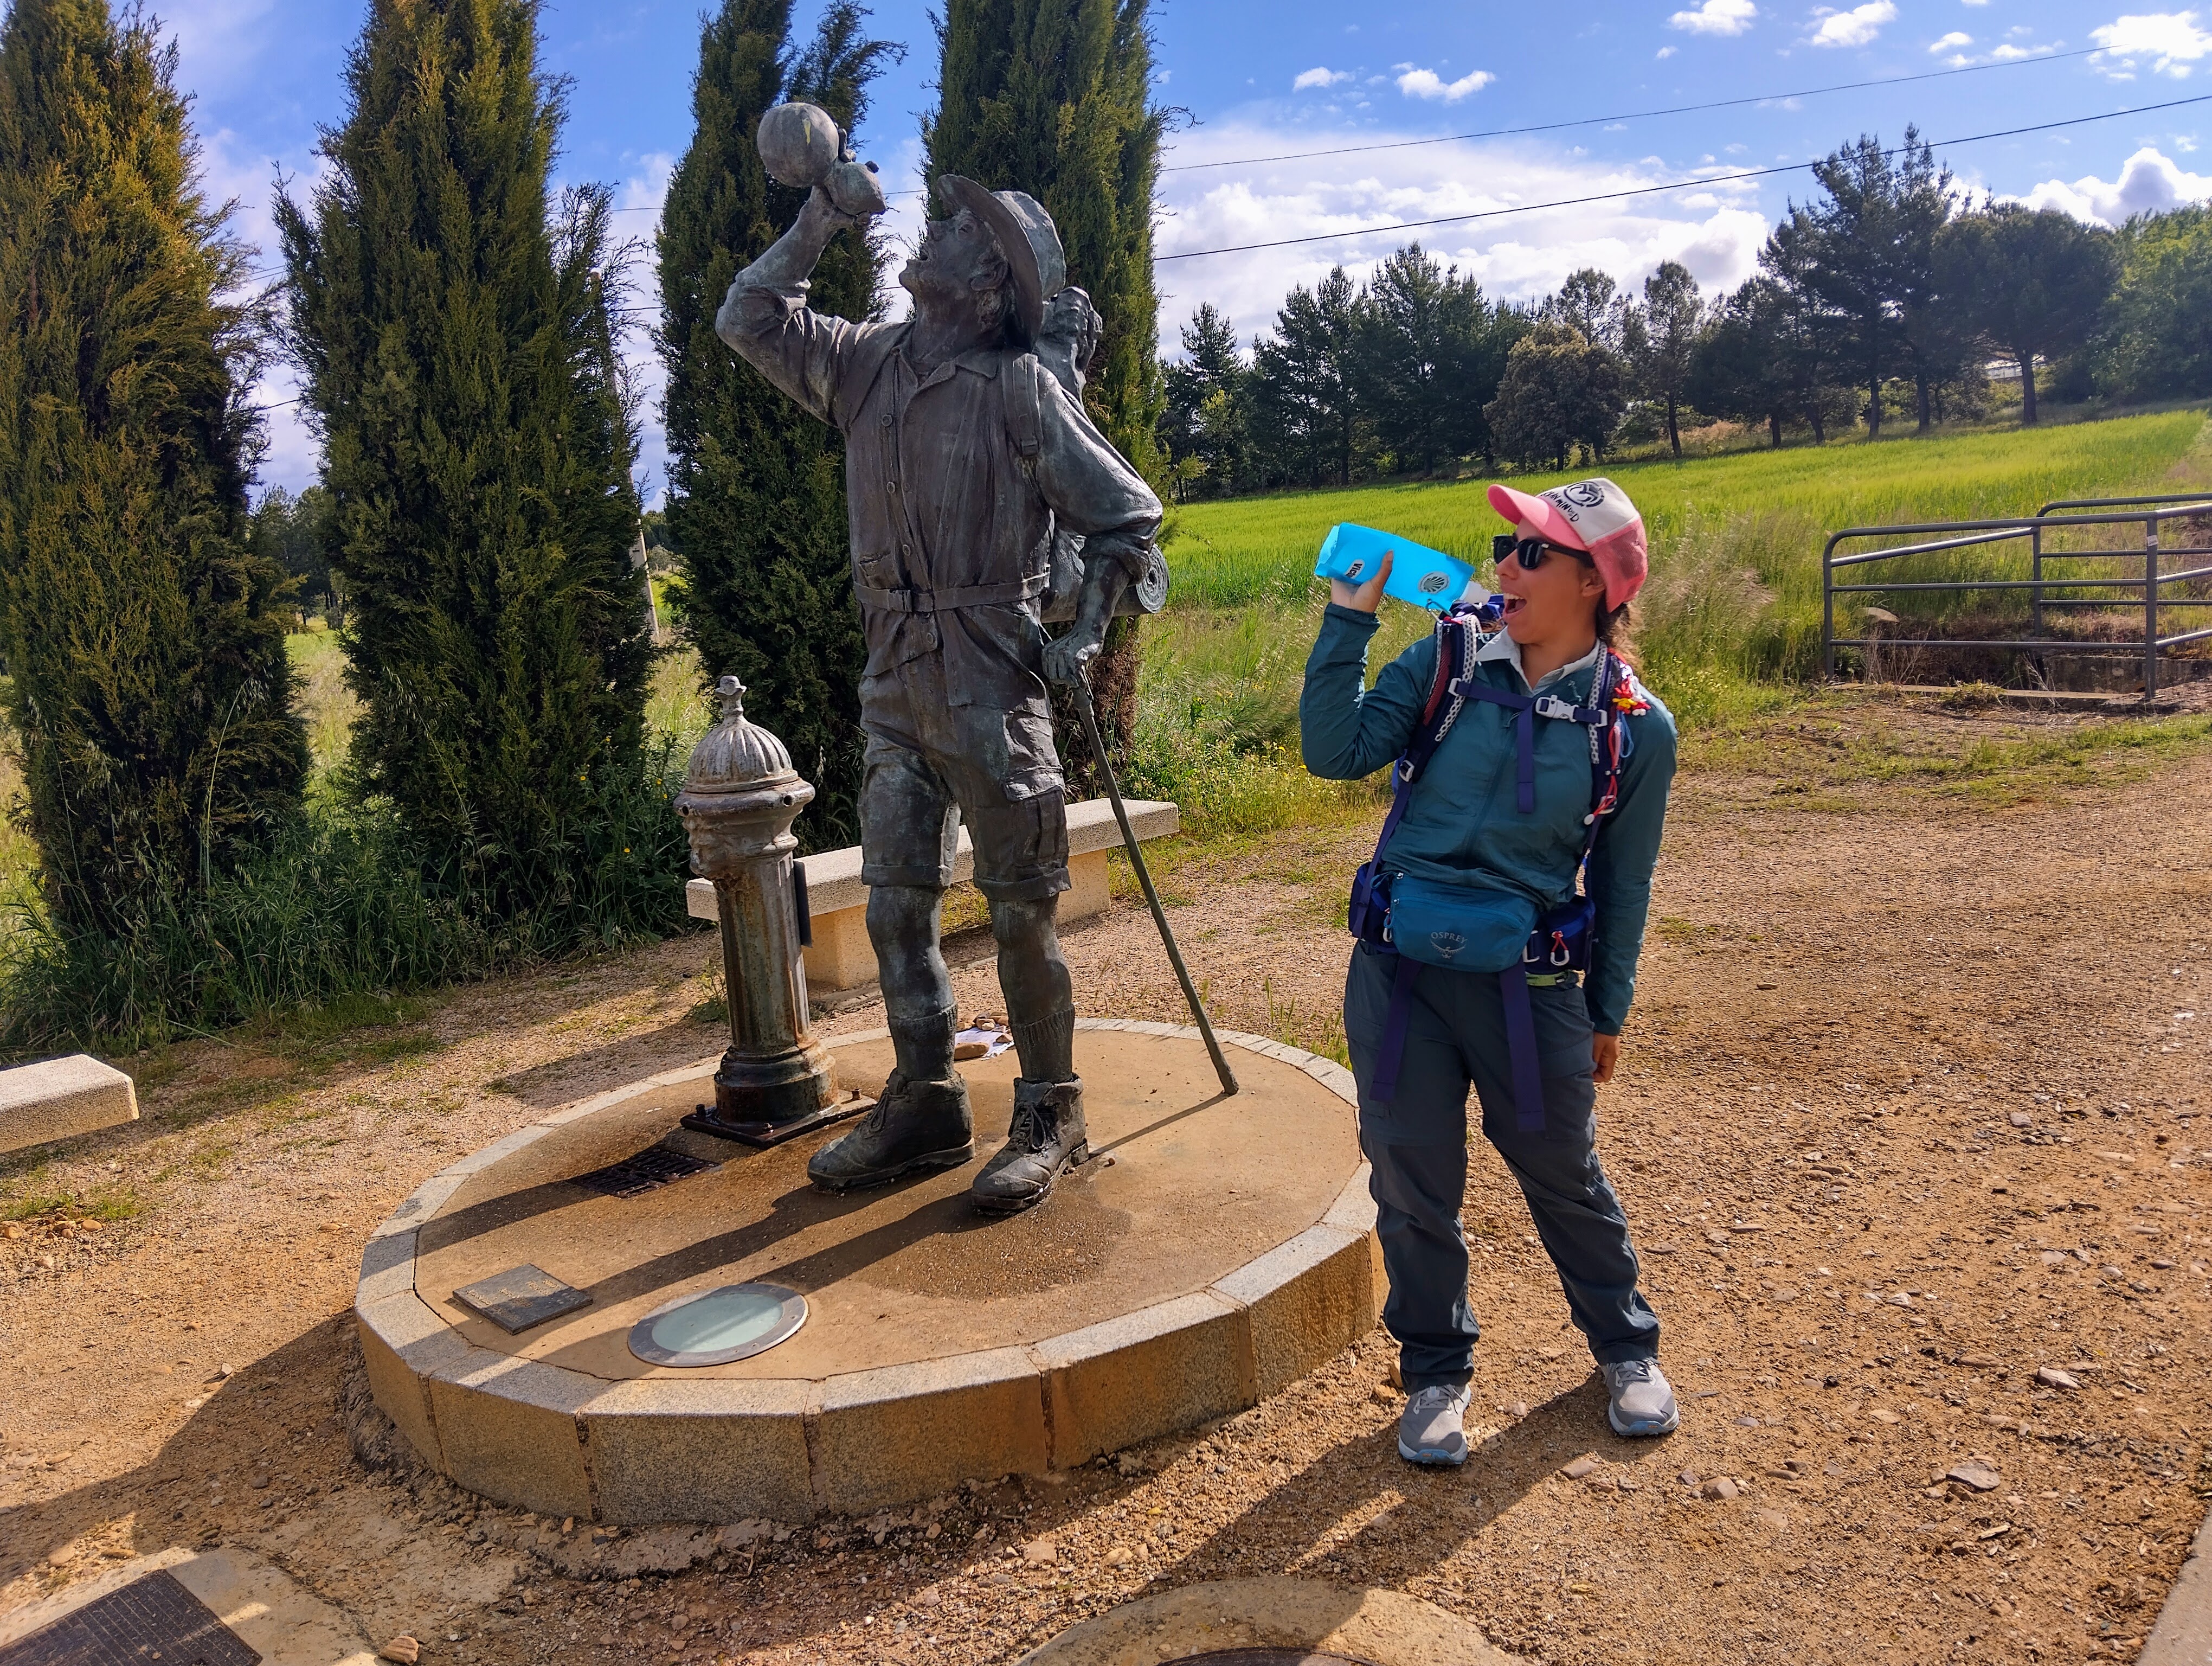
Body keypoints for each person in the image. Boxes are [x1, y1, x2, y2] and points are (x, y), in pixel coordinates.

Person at [716, 173, 1160, 1213]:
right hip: (896, 686)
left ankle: (1051, 1110)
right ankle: (925, 1100)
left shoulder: (1021, 389)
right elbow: (749, 315)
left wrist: (1086, 634)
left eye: (964, 229)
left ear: (992, 283)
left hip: (994, 690)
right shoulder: (864, 361)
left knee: (1020, 918)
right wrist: (819, 218)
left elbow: (1126, 519)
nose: (938, 230)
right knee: (893, 907)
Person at [1299, 478, 1679, 1465]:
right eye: (1504, 546)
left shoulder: (1633, 726)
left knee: (1563, 1174)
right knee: (1412, 1179)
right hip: (1400, 973)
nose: (1505, 565)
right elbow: (1333, 751)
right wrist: (1351, 622)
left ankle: (1626, 1349)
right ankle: (1434, 1370)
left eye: (1534, 553)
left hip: (1533, 990)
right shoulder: (1449, 660)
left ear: (1597, 583)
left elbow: (1625, 882)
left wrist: (1608, 1011)